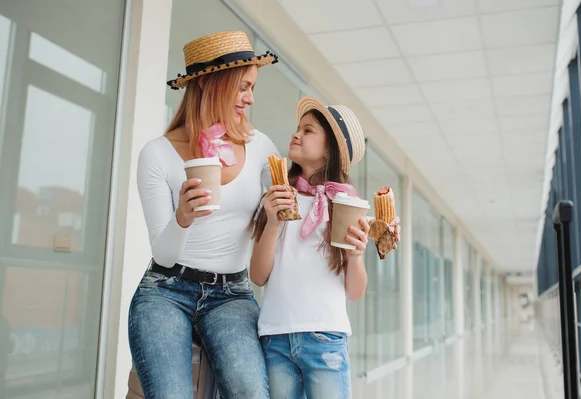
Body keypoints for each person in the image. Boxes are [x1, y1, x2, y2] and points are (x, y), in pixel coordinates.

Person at [128, 31, 279, 399]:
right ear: (213, 84)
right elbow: (163, 255)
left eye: (252, 87)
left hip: (231, 293)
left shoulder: (260, 148)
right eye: (243, 87)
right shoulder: (157, 154)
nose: (250, 99)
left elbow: (296, 202)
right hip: (165, 290)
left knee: (251, 392)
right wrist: (183, 216)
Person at [249, 96, 400, 399]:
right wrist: (273, 221)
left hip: (325, 337)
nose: (296, 134)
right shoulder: (278, 196)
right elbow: (258, 276)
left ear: (330, 148)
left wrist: (356, 256)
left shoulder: (345, 206)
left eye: (308, 131)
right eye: (297, 128)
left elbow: (355, 292)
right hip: (275, 338)